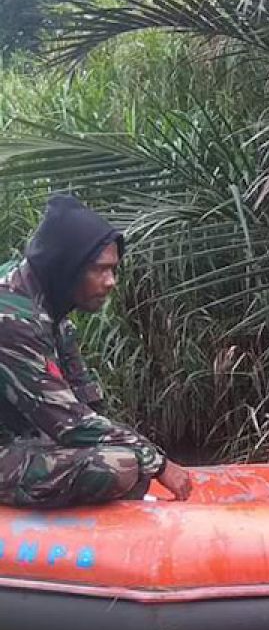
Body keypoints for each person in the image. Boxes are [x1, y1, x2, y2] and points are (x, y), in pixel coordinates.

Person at [0, 195, 192, 508]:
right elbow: (71, 424)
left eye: (114, 270)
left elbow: (85, 404)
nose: (111, 282)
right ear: (66, 267)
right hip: (10, 446)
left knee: (127, 459)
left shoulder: (52, 310)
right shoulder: (11, 319)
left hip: (23, 440)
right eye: (99, 270)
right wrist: (158, 463)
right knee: (118, 466)